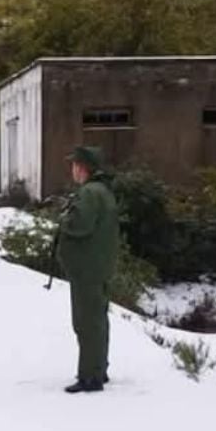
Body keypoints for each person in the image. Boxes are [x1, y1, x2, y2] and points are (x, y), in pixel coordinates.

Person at [55, 146, 120, 394]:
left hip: (88, 268)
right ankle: (98, 368)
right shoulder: (102, 191)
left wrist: (64, 217)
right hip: (98, 265)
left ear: (83, 168)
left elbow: (80, 225)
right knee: (97, 320)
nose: (72, 169)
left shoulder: (90, 192)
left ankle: (90, 377)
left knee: (87, 322)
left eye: (74, 164)